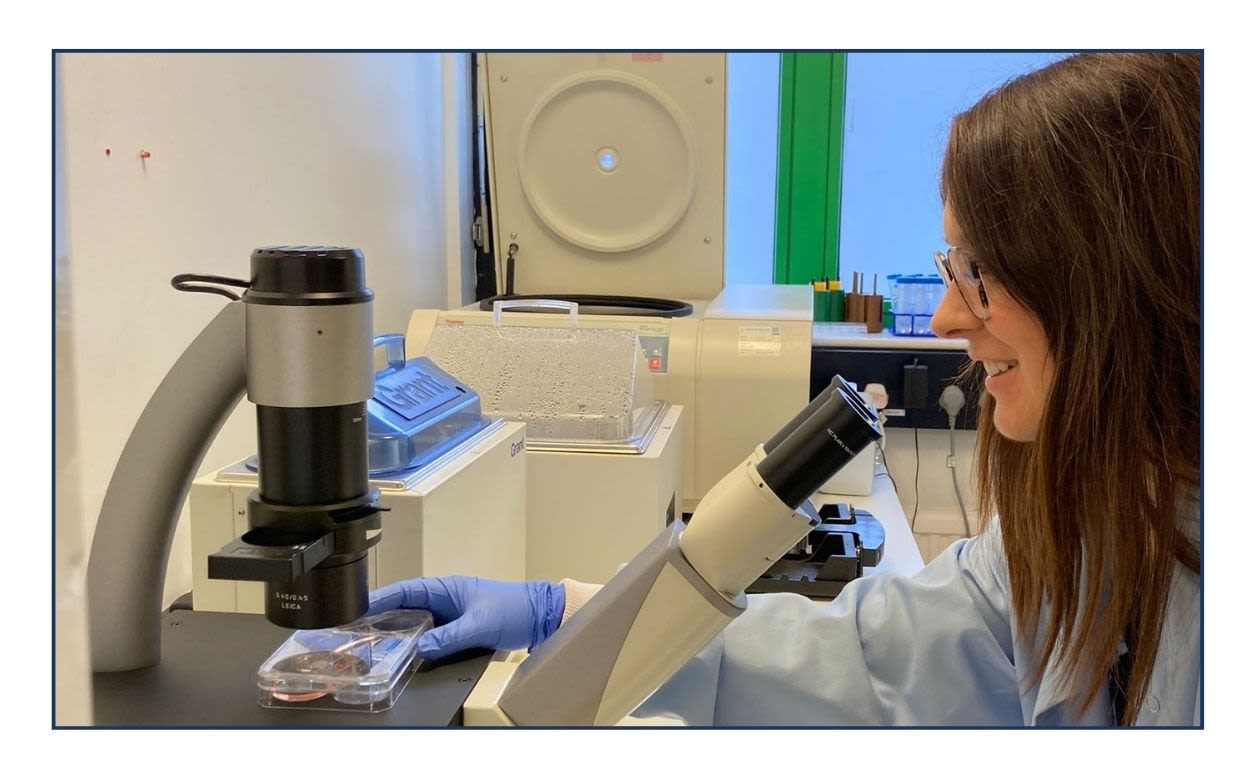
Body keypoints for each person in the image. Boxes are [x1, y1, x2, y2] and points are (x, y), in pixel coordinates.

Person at [370, 52, 1201, 726]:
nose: (946, 316)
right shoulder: (1091, 524)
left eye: (978, 270)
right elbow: (872, 660)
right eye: (952, 267)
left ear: (1116, 281)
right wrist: (567, 612)